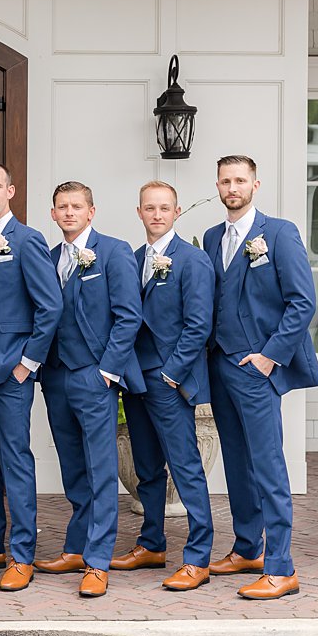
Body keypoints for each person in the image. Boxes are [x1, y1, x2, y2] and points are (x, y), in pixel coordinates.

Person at [204, 155, 318, 600]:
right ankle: (248, 548)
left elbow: (302, 302)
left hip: (256, 369)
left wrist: (270, 357)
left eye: (240, 180)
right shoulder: (215, 236)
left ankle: (282, 566)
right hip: (221, 367)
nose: (232, 187)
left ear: (256, 184)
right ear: (217, 186)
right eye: (225, 180)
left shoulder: (278, 233)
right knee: (236, 462)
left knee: (268, 465)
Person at [34, 181, 143, 599]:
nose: (68, 213)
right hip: (57, 377)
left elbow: (128, 316)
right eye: (62, 206)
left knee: (100, 470)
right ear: (54, 212)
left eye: (76, 206)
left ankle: (98, 561)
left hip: (94, 376)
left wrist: (107, 373)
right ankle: (76, 548)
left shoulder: (113, 252)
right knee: (73, 468)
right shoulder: (48, 258)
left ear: (91, 212)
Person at [0, 162, 62, 592]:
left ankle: (22, 553)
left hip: (11, 370)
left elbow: (50, 306)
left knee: (15, 459)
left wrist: (29, 362)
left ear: (11, 191)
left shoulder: (28, 240)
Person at [112, 180, 216, 592]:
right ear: (139, 212)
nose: (156, 215)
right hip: (134, 378)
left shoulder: (191, 260)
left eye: (164, 208)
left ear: (176, 212)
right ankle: (151, 543)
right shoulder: (131, 258)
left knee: (186, 466)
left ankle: (198, 557)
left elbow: (199, 324)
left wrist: (172, 373)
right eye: (149, 208)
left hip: (168, 380)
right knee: (146, 466)